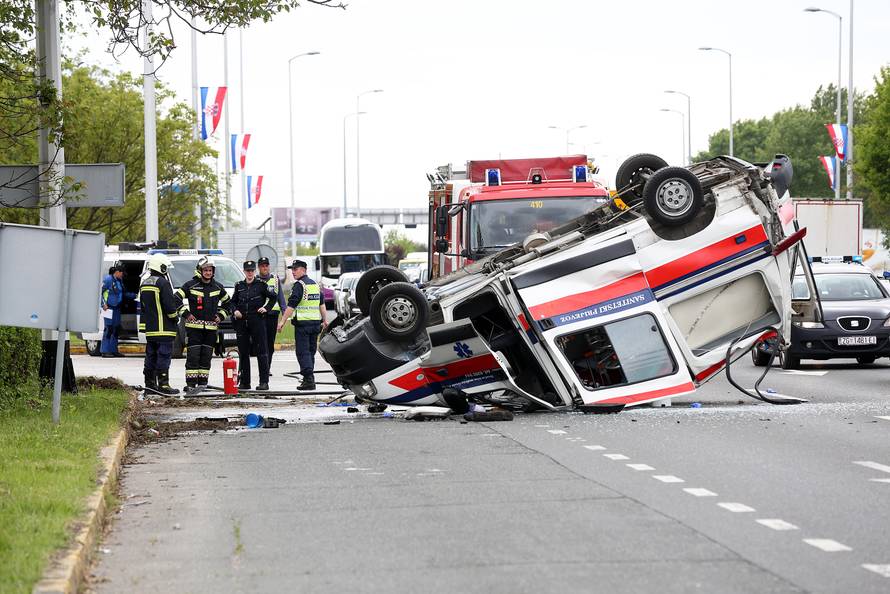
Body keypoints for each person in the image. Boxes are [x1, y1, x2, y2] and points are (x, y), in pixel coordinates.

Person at [174, 256, 232, 391]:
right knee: (193, 357)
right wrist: (186, 314)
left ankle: (203, 384)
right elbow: (176, 298)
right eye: (205, 270)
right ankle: (190, 385)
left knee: (206, 357)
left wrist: (221, 315)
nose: (208, 273)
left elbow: (228, 303)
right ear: (200, 271)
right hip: (194, 330)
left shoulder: (217, 286)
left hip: (211, 330)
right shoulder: (190, 285)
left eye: (210, 270)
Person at [278, 259, 327, 391]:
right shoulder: (315, 285)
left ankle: (309, 380)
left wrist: (282, 321)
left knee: (303, 352)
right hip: (315, 325)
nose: (293, 272)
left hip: (303, 325)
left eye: (295, 269)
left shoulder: (300, 285)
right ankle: (308, 378)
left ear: (303, 270)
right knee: (310, 352)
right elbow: (321, 304)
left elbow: (291, 306)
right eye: (292, 269)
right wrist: (325, 320)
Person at [138, 254, 180, 395]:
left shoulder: (144, 283)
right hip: (165, 330)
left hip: (151, 331)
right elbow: (169, 306)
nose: (166, 270)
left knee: (151, 356)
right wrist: (176, 318)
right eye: (165, 267)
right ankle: (163, 385)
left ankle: (149, 385)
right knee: (163, 356)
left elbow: (143, 308)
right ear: (160, 267)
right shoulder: (163, 283)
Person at [231, 260, 276, 391]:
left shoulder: (261, 285)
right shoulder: (239, 286)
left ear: (254, 271)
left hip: (257, 321)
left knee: (262, 352)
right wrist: (235, 311)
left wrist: (266, 308)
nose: (250, 273)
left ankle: (264, 382)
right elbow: (232, 302)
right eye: (247, 271)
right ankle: (245, 382)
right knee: (243, 353)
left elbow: (273, 297)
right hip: (242, 323)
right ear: (244, 272)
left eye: (252, 271)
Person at [100, 261, 136, 357]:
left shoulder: (119, 281)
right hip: (108, 308)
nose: (123, 275)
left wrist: (135, 296)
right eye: (122, 273)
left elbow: (124, 294)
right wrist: (103, 304)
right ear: (118, 272)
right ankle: (105, 350)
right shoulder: (108, 280)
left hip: (117, 308)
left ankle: (113, 350)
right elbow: (99, 292)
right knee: (109, 329)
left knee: (115, 329)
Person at [257, 256, 286, 369]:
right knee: (261, 342)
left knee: (270, 343)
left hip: (273, 315)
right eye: (262, 266)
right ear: (259, 267)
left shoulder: (275, 279)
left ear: (269, 266)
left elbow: (281, 297)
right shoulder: (255, 280)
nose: (265, 268)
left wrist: (284, 314)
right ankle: (264, 367)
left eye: (266, 265)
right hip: (259, 315)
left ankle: (267, 367)